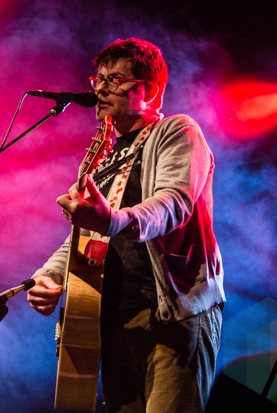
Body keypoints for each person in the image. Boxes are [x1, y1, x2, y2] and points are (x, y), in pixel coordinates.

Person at [27, 38, 226, 413]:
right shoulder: (102, 159)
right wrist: (49, 275)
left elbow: (173, 204)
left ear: (147, 91)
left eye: (114, 80)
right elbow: (86, 237)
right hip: (114, 322)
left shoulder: (178, 131)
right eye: (98, 79)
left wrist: (112, 220)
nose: (100, 89)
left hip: (172, 316)